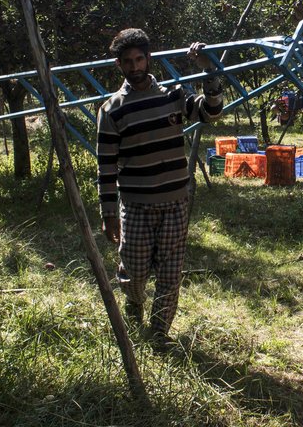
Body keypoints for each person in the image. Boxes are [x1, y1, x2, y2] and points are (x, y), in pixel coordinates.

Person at [96, 28, 223, 344]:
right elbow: (106, 165)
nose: (135, 67)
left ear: (149, 59)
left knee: (169, 274)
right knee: (135, 273)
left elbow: (211, 112)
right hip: (136, 205)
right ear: (119, 65)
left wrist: (209, 70)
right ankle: (134, 301)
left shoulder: (173, 96)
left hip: (175, 202)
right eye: (128, 62)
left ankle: (159, 333)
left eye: (140, 59)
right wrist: (108, 213)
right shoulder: (112, 110)